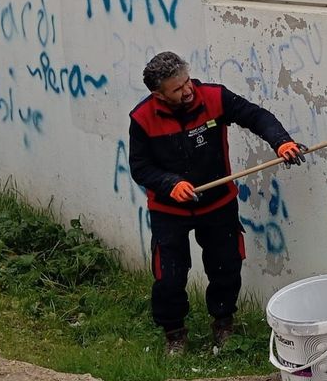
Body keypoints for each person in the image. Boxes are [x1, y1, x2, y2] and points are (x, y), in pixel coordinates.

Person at [129, 51, 309, 354]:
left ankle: (224, 324)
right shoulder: (142, 118)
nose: (187, 90)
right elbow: (140, 167)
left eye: (187, 81)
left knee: (226, 266)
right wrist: (170, 184)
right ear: (158, 94)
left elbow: (256, 116)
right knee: (169, 276)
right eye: (177, 89)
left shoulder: (214, 97)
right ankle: (174, 333)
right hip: (169, 210)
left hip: (218, 204)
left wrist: (281, 141)